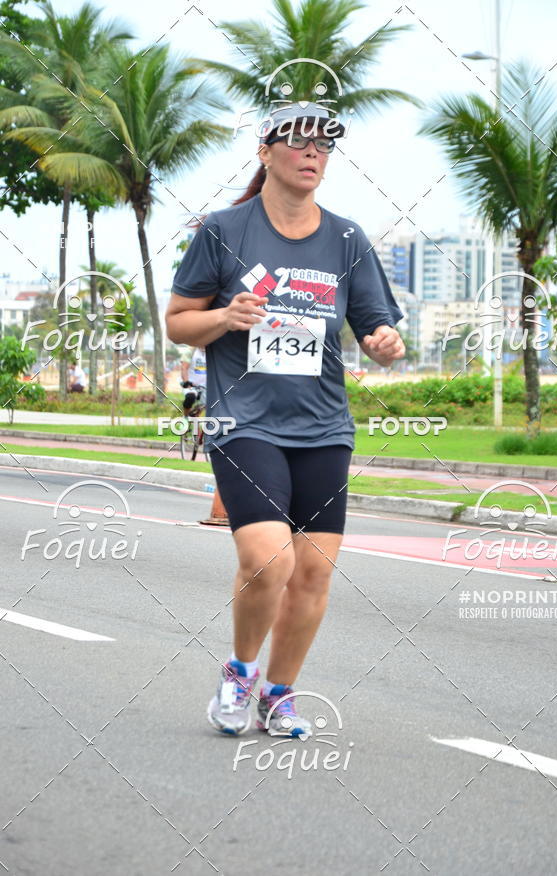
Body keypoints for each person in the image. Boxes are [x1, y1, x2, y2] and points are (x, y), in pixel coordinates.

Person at [166, 102, 405, 738]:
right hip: (243, 421)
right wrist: (224, 317)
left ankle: (278, 695)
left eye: (324, 145)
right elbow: (179, 321)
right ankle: (240, 671)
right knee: (269, 560)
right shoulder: (224, 230)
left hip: (323, 427)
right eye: (299, 141)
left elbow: (375, 327)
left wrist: (384, 343)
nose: (312, 153)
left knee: (314, 573)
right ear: (266, 152)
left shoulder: (347, 239)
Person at [180, 345, 207, 414]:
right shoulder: (190, 351)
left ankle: (193, 415)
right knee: (190, 397)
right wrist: (186, 382)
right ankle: (185, 417)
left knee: (199, 409)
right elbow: (184, 368)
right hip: (191, 384)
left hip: (206, 386)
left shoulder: (213, 351)